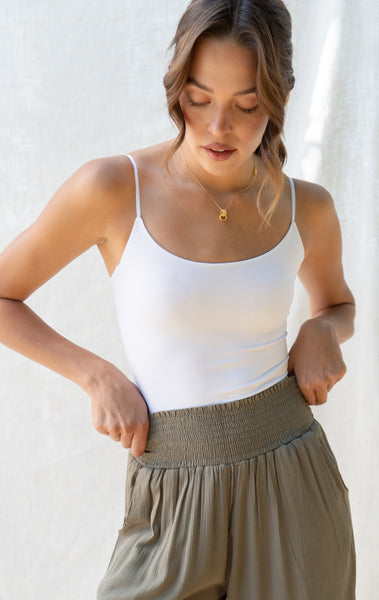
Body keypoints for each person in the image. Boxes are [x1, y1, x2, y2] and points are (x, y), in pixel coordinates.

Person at [0, 0, 356, 598]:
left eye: (247, 105)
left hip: (294, 480)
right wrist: (94, 375)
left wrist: (323, 328)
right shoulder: (114, 188)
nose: (218, 127)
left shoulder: (308, 207)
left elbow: (337, 305)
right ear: (176, 90)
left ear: (280, 99)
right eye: (199, 98)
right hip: (170, 484)